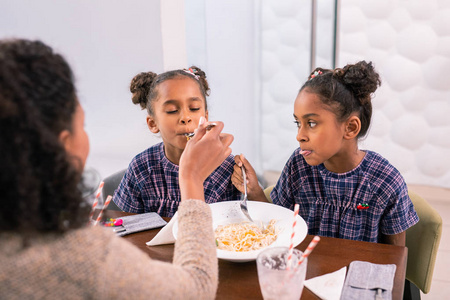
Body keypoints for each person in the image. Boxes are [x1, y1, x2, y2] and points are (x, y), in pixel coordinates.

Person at [0, 38, 233, 299]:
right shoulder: (87, 259)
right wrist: (190, 178)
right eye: (83, 125)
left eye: (193, 107)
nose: (185, 117)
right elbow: (196, 290)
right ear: (63, 145)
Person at [232, 61, 419, 246]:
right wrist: (254, 189)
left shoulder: (385, 181)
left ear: (350, 127)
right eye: (298, 123)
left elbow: (395, 259)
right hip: (305, 271)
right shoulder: (298, 165)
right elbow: (279, 224)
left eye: (311, 123)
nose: (299, 136)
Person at [113, 68, 240, 217]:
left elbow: (243, 227)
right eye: (172, 110)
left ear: (206, 117)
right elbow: (126, 224)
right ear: (153, 123)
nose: (185, 117)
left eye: (194, 108)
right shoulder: (141, 168)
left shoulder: (228, 169)